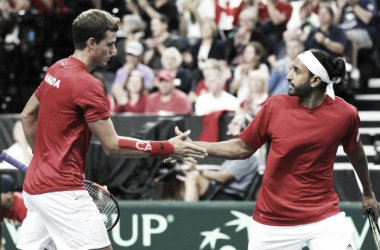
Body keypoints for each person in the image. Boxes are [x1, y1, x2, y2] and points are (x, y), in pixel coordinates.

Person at [17, 9, 207, 250]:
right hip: (62, 191)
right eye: (110, 44)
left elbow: (26, 116)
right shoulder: (87, 85)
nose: (114, 51)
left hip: (35, 189)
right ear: (91, 43)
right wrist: (168, 147)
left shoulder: (56, 69)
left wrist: (41, 160)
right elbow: (112, 145)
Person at [172, 49, 379, 249]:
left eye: (297, 71)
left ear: (315, 81)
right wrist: (193, 145)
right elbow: (243, 148)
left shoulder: (346, 114)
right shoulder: (274, 107)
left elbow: (355, 151)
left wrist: (368, 193)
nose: (288, 76)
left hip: (323, 217)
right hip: (272, 221)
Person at [183, 114, 259, 201]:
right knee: (180, 181)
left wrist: (198, 171)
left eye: (235, 123)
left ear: (246, 128)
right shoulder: (234, 152)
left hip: (229, 196)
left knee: (194, 176)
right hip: (219, 190)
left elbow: (223, 178)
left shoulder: (246, 155)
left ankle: (188, 212)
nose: (229, 125)